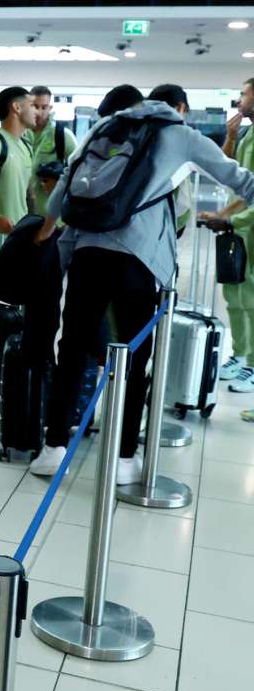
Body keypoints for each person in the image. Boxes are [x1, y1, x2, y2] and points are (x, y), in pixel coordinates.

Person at [30, 83, 254, 480]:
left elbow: (60, 194)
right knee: (135, 356)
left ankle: (54, 447)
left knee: (73, 348)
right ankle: (123, 458)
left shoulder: (103, 129)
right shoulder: (179, 135)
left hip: (87, 253)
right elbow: (240, 180)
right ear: (177, 108)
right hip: (140, 259)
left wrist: (50, 238)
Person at [202, 77, 254, 392]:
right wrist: (231, 136)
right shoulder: (246, 134)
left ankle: (253, 365)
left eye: (244, 95)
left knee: (252, 300)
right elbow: (232, 175)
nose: (239, 100)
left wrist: (231, 219)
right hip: (239, 229)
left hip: (248, 226)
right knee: (235, 297)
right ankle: (240, 354)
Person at [0, 86, 36, 301]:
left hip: (19, 237)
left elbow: (26, 193)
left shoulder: (26, 147)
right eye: (32, 105)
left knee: (16, 300)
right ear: (16, 107)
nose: (36, 111)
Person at [26, 85, 78, 216]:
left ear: (50, 108)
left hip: (53, 218)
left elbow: (79, 173)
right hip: (21, 216)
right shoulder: (20, 135)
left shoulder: (63, 136)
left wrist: (59, 184)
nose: (39, 112)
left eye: (44, 107)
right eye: (35, 106)